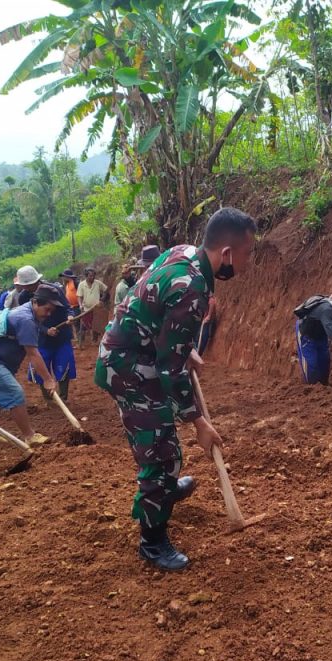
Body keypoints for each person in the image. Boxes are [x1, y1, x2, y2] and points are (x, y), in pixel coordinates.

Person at [95, 207, 256, 571]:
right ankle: (152, 542)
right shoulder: (194, 289)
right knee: (160, 452)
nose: (248, 262)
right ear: (227, 254)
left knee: (164, 442)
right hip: (129, 368)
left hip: (131, 353)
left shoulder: (182, 252)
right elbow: (170, 371)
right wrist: (199, 422)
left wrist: (187, 347)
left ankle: (165, 489)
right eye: (247, 253)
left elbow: (156, 311)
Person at [0, 282, 64, 447]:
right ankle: (30, 436)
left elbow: (37, 329)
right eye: (46, 309)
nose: (48, 314)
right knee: (15, 394)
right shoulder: (25, 319)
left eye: (51, 311)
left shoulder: (28, 312)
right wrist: (48, 379)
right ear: (35, 302)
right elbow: (33, 354)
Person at [27, 282, 76, 403]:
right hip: (42, 340)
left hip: (62, 337)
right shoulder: (24, 297)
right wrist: (45, 330)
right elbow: (28, 320)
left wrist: (70, 316)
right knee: (41, 367)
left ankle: (63, 398)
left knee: (64, 365)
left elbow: (68, 308)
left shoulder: (56, 291)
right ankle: (49, 399)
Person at [75, 266, 107, 346]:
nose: (92, 277)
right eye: (90, 276)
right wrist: (80, 305)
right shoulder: (82, 285)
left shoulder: (98, 283)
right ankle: (81, 342)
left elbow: (106, 290)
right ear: (86, 276)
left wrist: (102, 299)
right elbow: (79, 296)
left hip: (97, 309)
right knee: (85, 326)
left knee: (96, 325)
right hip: (86, 309)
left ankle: (95, 340)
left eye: (93, 275)